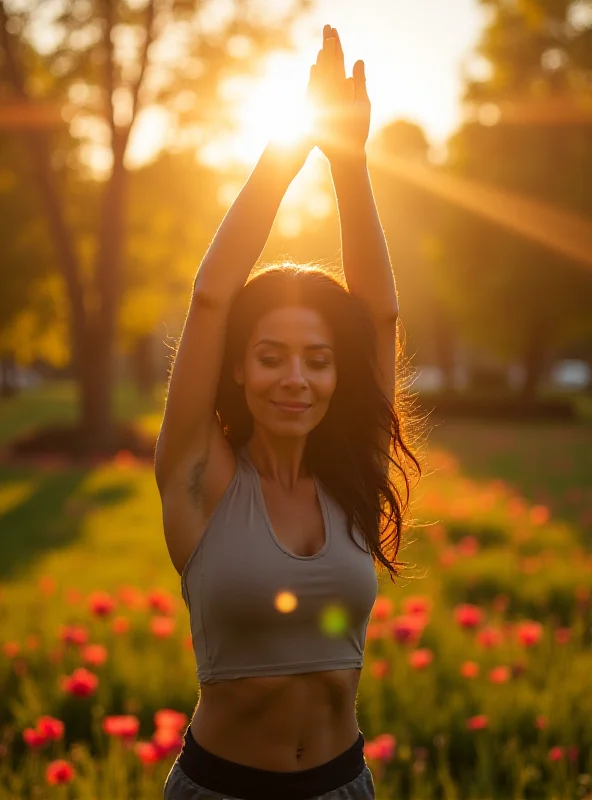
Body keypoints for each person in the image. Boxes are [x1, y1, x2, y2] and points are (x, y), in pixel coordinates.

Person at [155, 23, 423, 800]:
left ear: (337, 376)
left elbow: (380, 319)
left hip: (345, 786)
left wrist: (349, 162)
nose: (295, 378)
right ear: (237, 370)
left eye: (317, 359)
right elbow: (210, 299)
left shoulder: (351, 480)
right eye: (271, 356)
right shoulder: (198, 478)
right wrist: (289, 148)